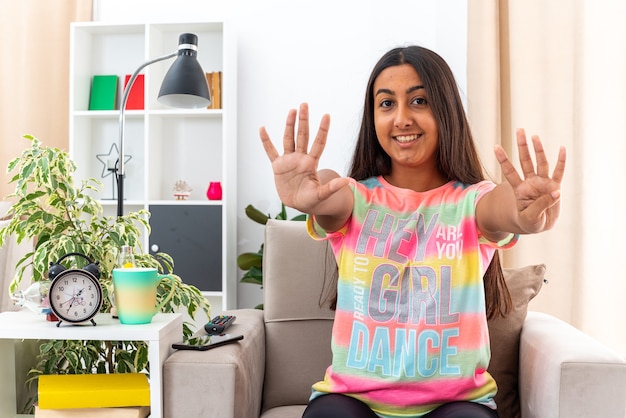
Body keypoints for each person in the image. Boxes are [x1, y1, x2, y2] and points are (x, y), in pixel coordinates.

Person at [259, 45, 566, 418]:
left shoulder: (471, 204)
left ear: (446, 110)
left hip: (456, 405)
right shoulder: (355, 199)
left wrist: (524, 213)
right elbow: (328, 194)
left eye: (419, 101)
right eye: (386, 104)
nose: (402, 118)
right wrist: (307, 195)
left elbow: (503, 207)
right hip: (352, 400)